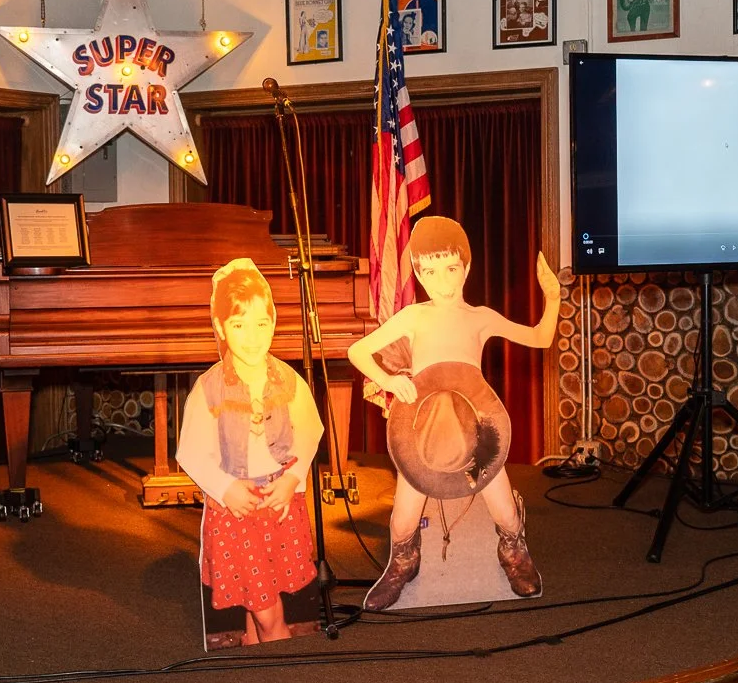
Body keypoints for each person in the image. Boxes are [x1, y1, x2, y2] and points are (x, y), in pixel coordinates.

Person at [348, 215, 560, 607]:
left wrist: (553, 298)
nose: (442, 283)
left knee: (506, 513)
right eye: (430, 272)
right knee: (402, 520)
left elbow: (540, 337)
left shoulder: (481, 318)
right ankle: (403, 560)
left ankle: (513, 549)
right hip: (425, 431)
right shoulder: (414, 316)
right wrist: (388, 380)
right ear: (417, 273)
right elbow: (357, 351)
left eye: (450, 269)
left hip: (475, 432)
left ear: (467, 266)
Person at [174, 258, 323, 645]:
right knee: (269, 614)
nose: (252, 337)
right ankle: (286, 667)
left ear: (273, 322)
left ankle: (255, 662)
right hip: (237, 515)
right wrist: (225, 488)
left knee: (260, 603)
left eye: (261, 324)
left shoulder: (288, 380)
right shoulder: (210, 388)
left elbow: (311, 431)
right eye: (239, 325)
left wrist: (292, 479)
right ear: (221, 327)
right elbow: (190, 451)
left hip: (278, 505)